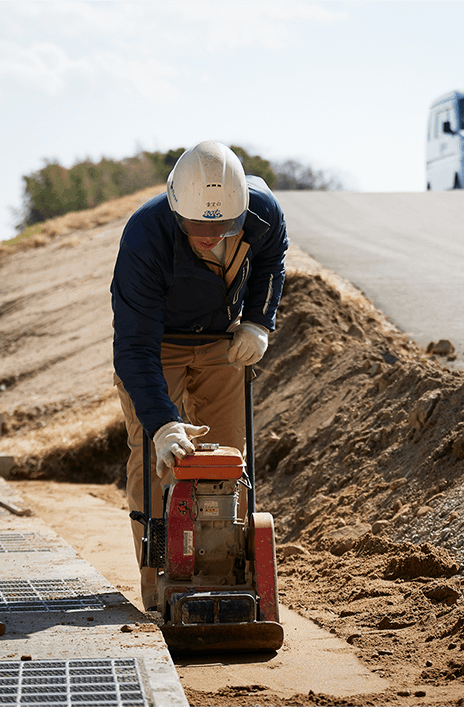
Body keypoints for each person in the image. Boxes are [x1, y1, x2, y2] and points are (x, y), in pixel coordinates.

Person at [110, 141, 288, 611]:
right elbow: (133, 347)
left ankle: (227, 567)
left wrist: (257, 320)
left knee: (229, 454)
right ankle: (157, 576)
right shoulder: (146, 237)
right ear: (175, 208)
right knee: (155, 456)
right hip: (157, 342)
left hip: (220, 340)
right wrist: (163, 424)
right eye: (196, 225)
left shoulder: (263, 213)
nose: (210, 234)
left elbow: (272, 260)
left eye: (223, 225)